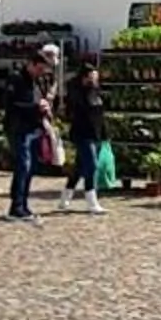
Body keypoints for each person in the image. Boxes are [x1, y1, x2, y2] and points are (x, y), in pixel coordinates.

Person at [1, 46, 53, 223]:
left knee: (30, 168)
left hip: (33, 127)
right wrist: (36, 107)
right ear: (31, 64)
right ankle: (16, 206)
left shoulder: (36, 81)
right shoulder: (16, 79)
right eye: (39, 69)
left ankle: (22, 204)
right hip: (18, 128)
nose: (41, 73)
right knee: (23, 165)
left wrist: (44, 107)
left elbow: (37, 100)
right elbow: (11, 104)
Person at [58, 56, 109, 216]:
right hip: (82, 133)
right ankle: (92, 200)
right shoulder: (77, 92)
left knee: (80, 167)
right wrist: (86, 87)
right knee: (91, 166)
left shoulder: (96, 92)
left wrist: (105, 134)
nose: (95, 79)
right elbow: (75, 109)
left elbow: (100, 114)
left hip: (96, 133)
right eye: (92, 76)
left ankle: (65, 196)